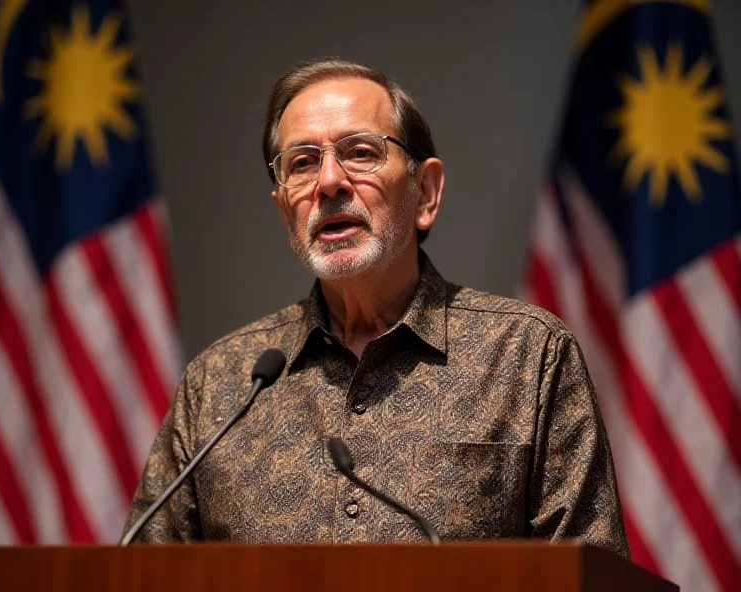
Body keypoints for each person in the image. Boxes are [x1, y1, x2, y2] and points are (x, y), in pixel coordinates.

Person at [123, 58, 630, 557]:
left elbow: (592, 576)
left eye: (360, 153)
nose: (328, 182)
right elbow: (138, 576)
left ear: (425, 193)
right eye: (301, 163)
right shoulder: (220, 383)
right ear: (283, 211)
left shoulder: (527, 356)